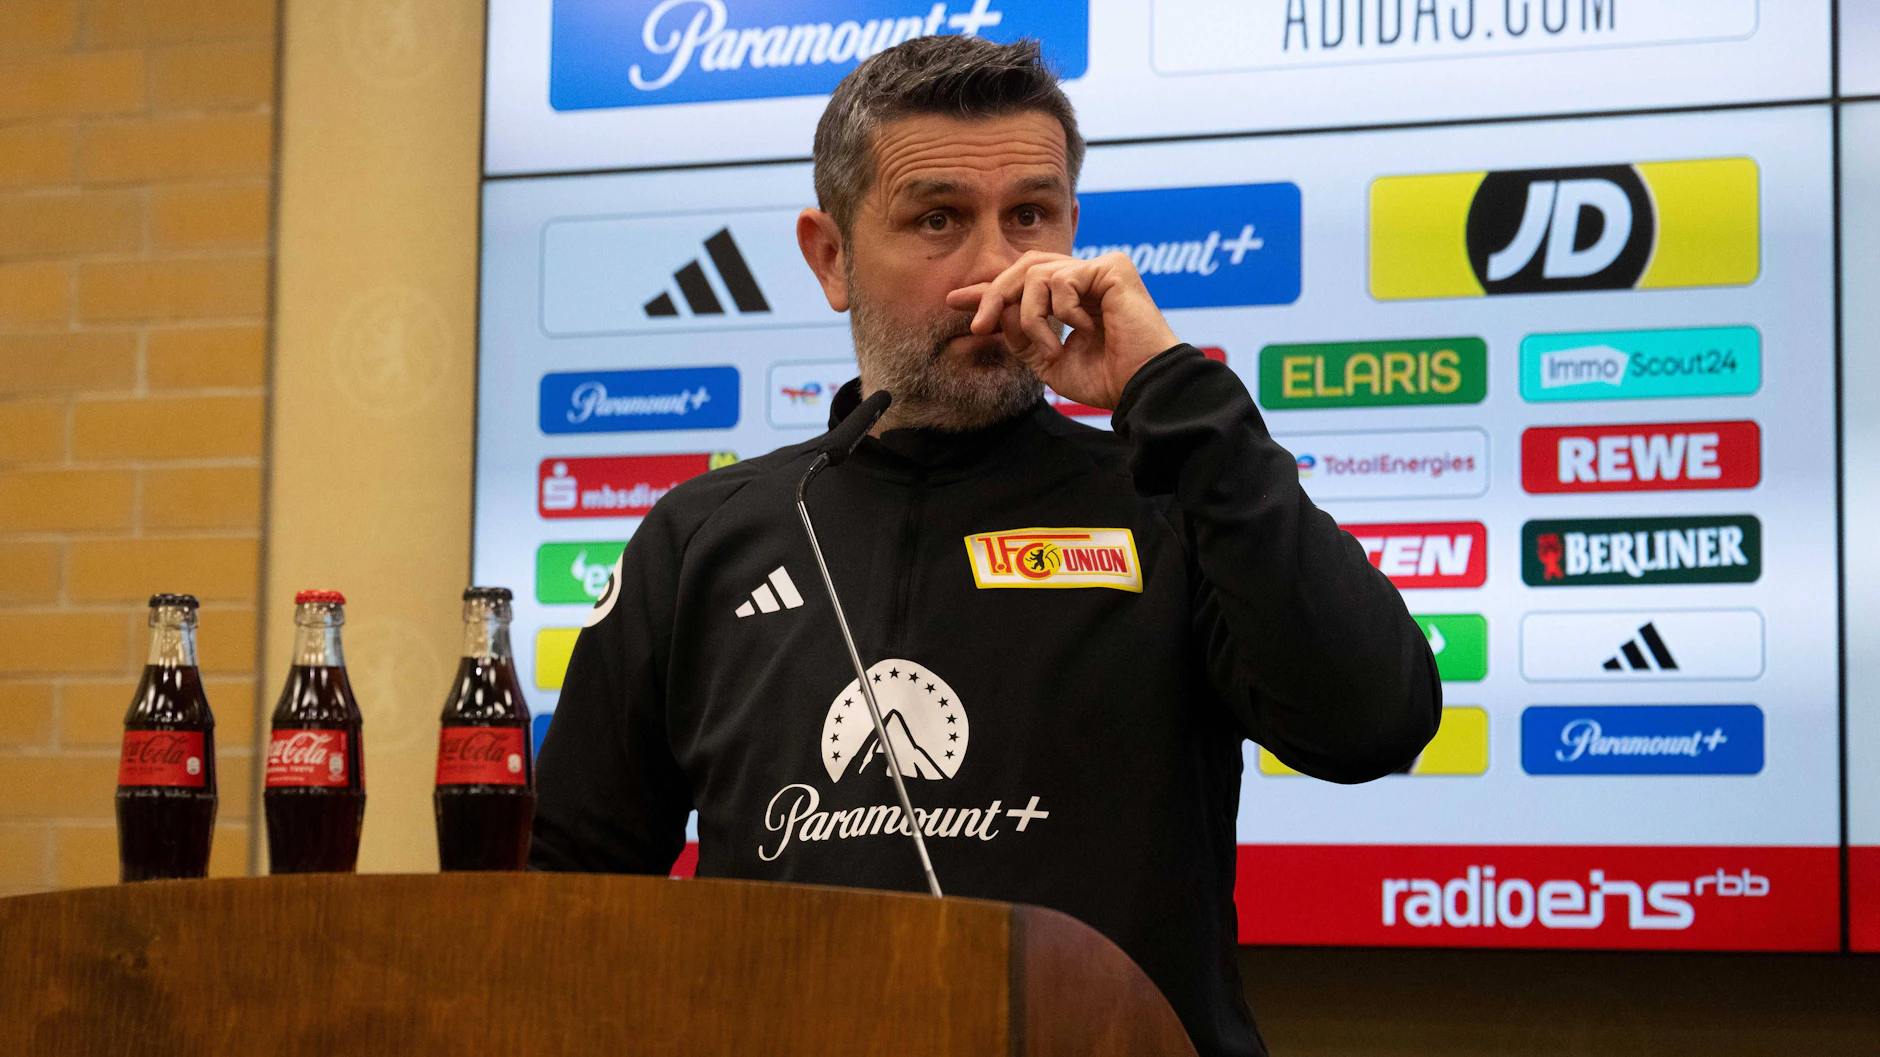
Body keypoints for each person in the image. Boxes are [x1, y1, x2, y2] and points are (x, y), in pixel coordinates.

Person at [532, 35, 1440, 1057]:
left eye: (1029, 216)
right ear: (829, 256)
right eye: (936, 220)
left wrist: (1170, 392)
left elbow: (1372, 723)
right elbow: (564, 905)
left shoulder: (1177, 494)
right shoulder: (700, 537)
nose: (995, 269)